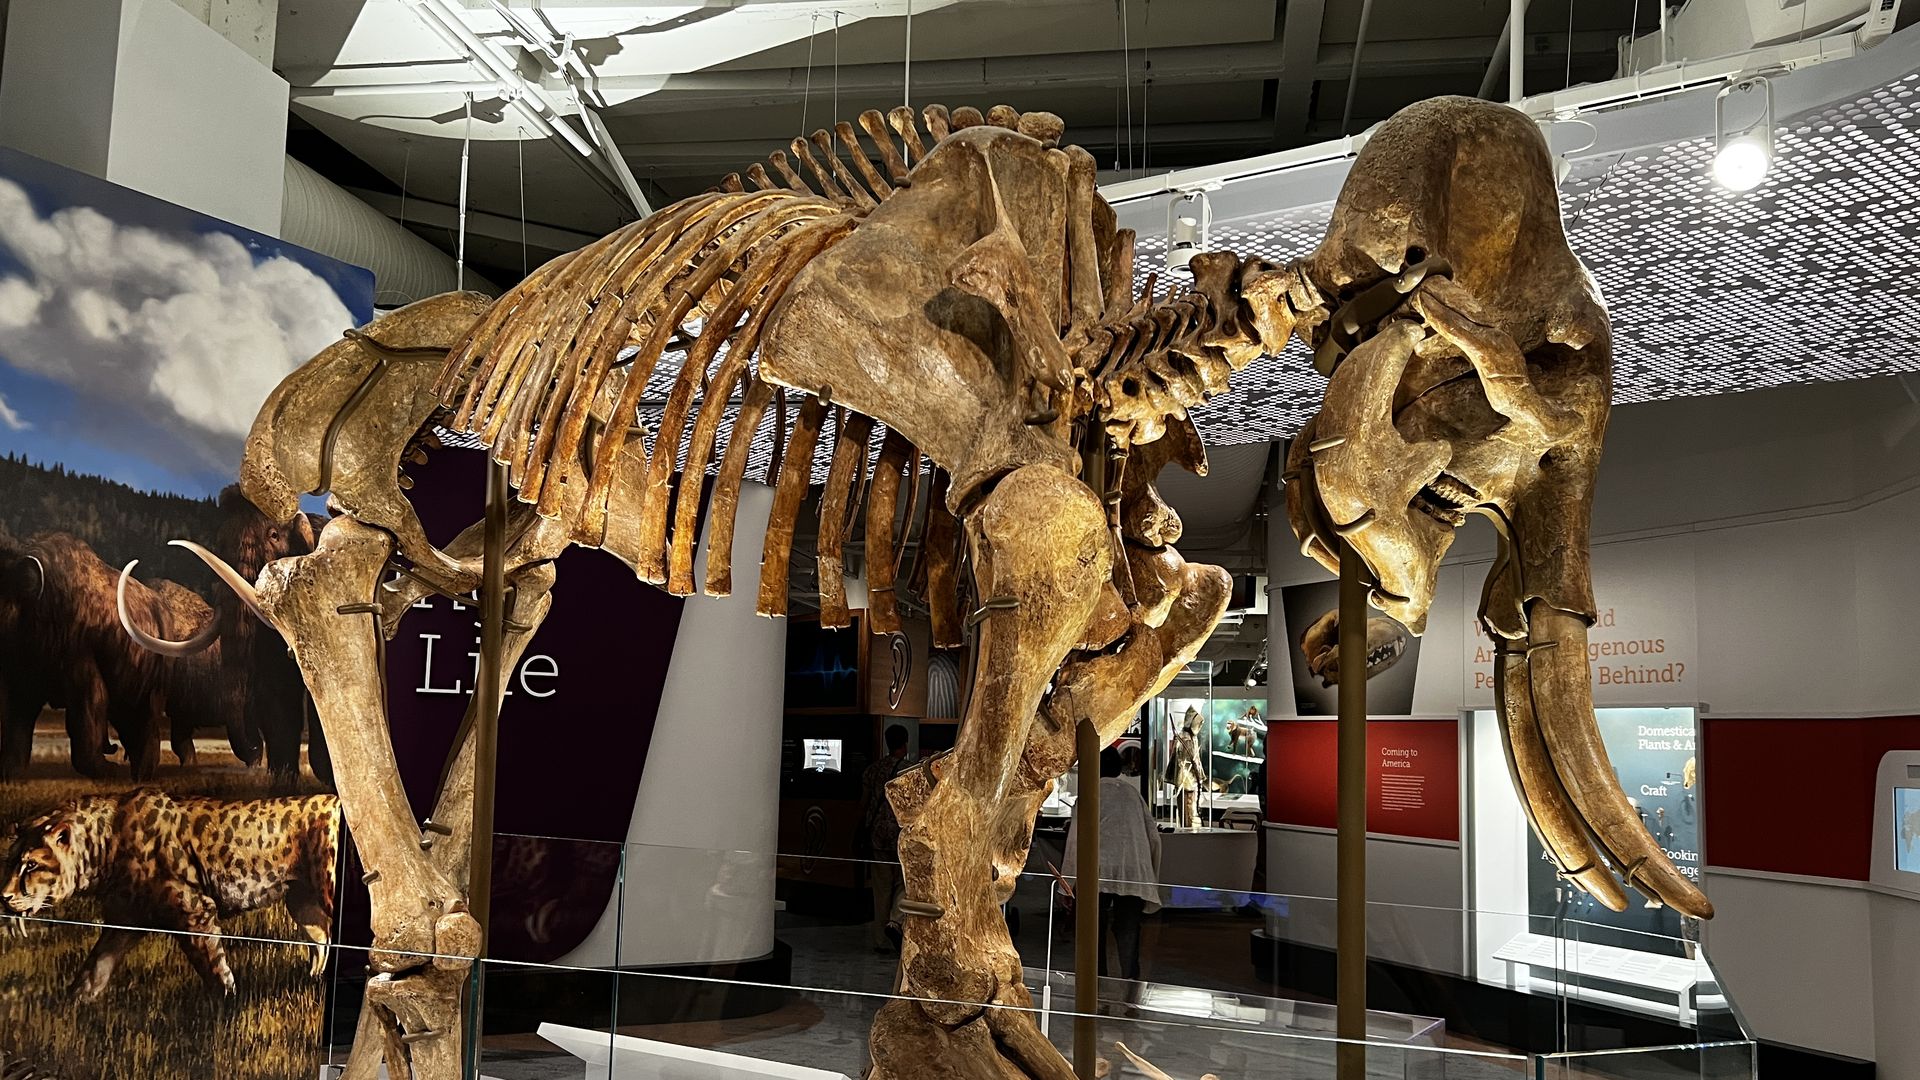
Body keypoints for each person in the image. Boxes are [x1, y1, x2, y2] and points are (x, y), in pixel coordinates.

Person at [1063, 747, 1163, 981]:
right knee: (1128, 933)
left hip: (1096, 873)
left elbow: (1075, 841)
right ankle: (1131, 989)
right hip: (1133, 871)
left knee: (1092, 934)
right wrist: (1151, 878)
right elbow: (1154, 838)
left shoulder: (1089, 794)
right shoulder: (1132, 794)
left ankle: (1094, 988)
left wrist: (1066, 884)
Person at [860, 724, 915, 951]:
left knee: (880, 888)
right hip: (901, 836)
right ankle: (895, 920)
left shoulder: (873, 770)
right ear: (906, 742)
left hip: (877, 835)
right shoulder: (910, 772)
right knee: (905, 883)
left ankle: (880, 940)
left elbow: (864, 803)